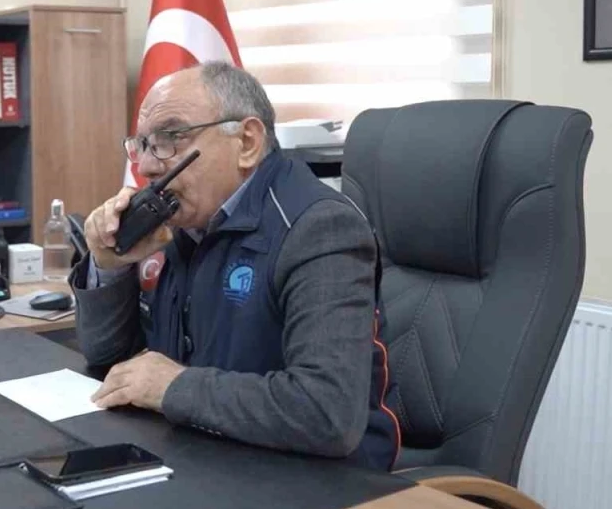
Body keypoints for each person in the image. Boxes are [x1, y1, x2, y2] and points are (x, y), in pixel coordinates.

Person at [72, 62, 400, 469]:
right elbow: (106, 356)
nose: (147, 167)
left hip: (322, 479)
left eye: (171, 138)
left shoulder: (320, 228)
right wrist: (109, 266)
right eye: (143, 144)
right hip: (205, 449)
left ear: (246, 142)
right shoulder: (176, 223)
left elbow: (327, 413)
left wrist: (173, 386)